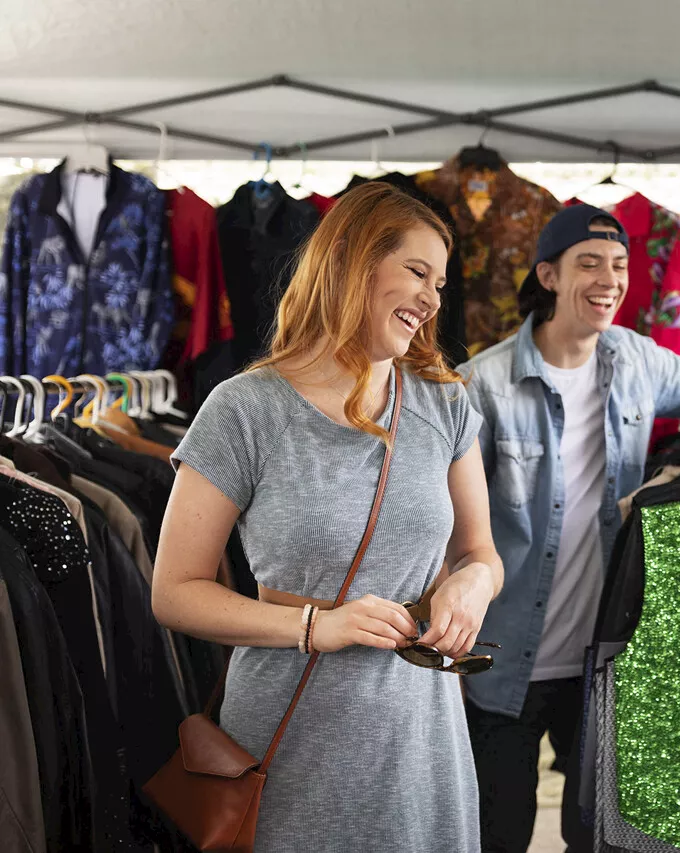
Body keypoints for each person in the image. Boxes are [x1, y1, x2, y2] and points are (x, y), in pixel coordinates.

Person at [457, 203, 680, 852]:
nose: (609, 279)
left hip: (603, 657)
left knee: (597, 833)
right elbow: (453, 527)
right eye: (590, 263)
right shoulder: (482, 385)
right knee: (497, 833)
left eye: (620, 266)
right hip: (502, 657)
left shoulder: (634, 359)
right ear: (547, 274)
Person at [151, 183, 503, 852]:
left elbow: (481, 551)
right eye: (417, 272)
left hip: (421, 741)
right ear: (351, 260)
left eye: (440, 283)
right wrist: (317, 625)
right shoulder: (243, 409)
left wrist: (472, 583)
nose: (432, 299)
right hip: (289, 741)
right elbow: (174, 592)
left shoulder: (446, 405)